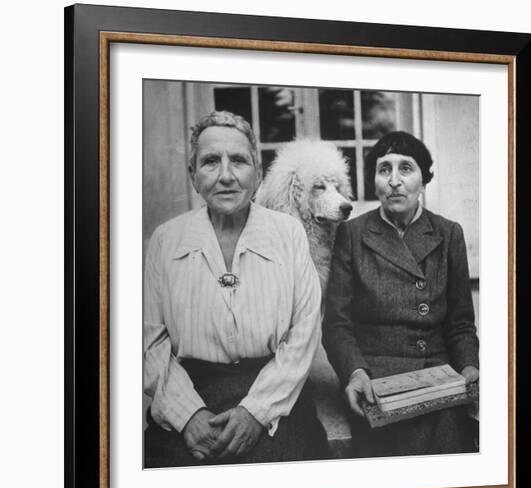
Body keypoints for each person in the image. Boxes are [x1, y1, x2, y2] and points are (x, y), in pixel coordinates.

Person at [143, 111, 329, 467]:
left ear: (257, 174)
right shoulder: (166, 240)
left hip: (276, 393)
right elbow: (149, 342)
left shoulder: (288, 234)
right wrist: (189, 416)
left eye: (239, 161)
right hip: (191, 390)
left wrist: (255, 412)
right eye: (211, 161)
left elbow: (304, 333)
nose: (226, 176)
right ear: (193, 176)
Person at [323, 130, 479, 457]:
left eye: (405, 169)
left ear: (424, 181)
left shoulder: (448, 234)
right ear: (375, 181)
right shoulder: (352, 234)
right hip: (374, 379)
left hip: (437, 376)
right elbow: (337, 325)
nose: (394, 181)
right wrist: (355, 372)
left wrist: (468, 368)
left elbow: (461, 324)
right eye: (384, 170)